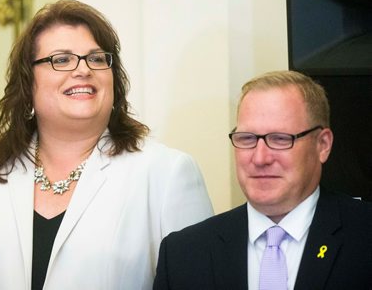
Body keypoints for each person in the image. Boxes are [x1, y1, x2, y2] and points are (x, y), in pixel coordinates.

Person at [0, 0, 213, 290]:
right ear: (28, 82)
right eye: (61, 59)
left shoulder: (167, 173)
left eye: (97, 58)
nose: (83, 70)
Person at [153, 70, 372, 290]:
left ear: (322, 145)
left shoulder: (364, 238)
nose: (260, 158)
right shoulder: (184, 254)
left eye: (280, 139)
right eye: (247, 139)